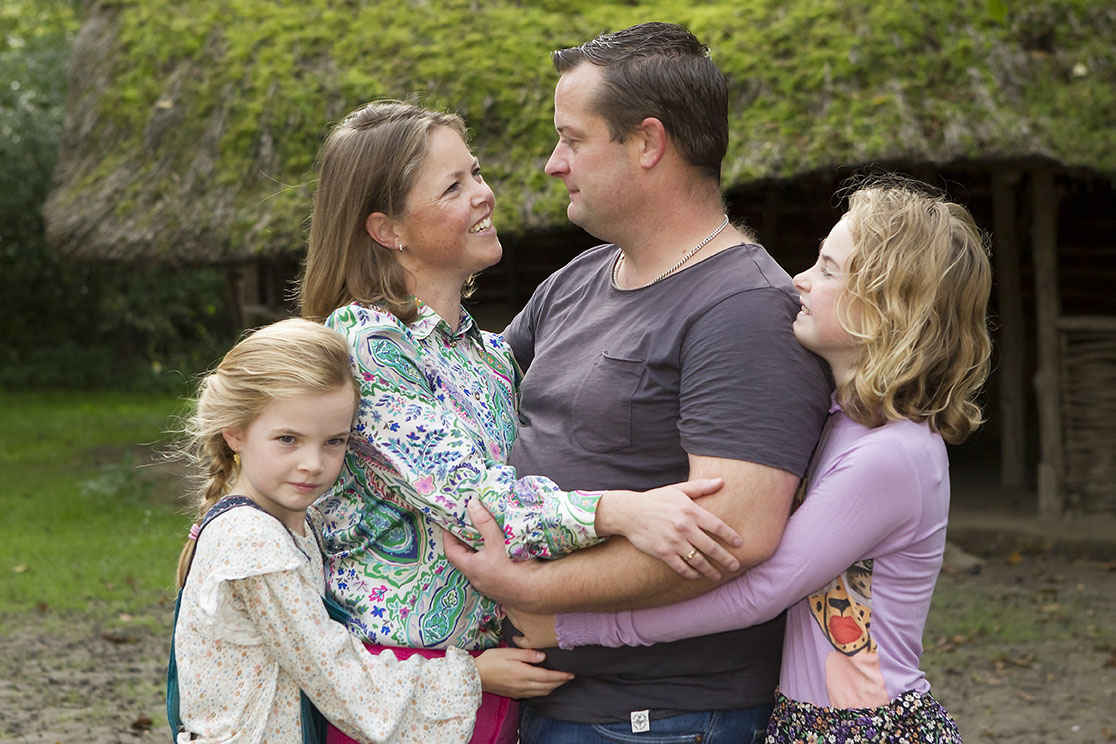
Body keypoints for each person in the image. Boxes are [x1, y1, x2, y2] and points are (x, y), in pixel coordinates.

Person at [461, 177, 992, 743]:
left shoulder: (892, 455)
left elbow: (759, 589)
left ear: (891, 308)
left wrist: (574, 624)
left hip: (863, 725)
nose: (801, 280)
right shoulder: (842, 421)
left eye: (830, 269)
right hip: (811, 717)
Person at [297, 100, 748, 744]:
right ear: (387, 230)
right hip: (398, 696)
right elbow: (480, 506)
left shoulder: (488, 356)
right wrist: (623, 512)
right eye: (454, 186)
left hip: (489, 683)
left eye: (475, 172)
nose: (485, 194)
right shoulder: (366, 345)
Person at [444, 21, 832, 744]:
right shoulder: (582, 277)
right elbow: (461, 394)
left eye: (573, 138)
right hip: (550, 702)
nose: (554, 163)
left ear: (648, 143)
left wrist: (527, 589)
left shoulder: (742, 308)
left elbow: (735, 537)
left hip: (658, 718)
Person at [169, 318, 483, 744]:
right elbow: (333, 673)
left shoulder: (285, 526)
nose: (313, 464)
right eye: (288, 439)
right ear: (235, 433)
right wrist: (471, 675)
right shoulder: (252, 539)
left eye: (334, 441)